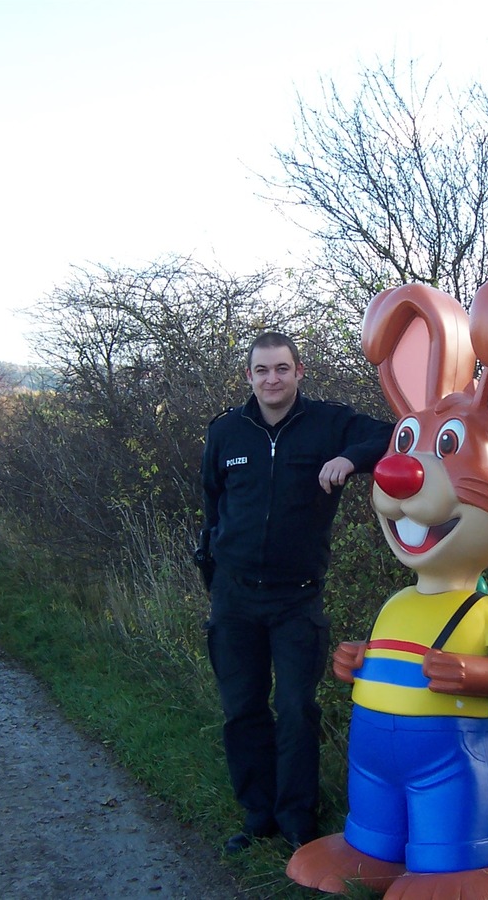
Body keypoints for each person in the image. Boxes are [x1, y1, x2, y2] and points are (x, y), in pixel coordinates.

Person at [197, 331, 393, 853]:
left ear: (299, 372)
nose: (272, 379)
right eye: (262, 370)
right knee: (242, 709)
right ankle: (257, 814)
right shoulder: (226, 433)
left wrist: (350, 459)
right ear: (249, 377)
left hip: (296, 599)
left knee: (297, 708)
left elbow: (393, 434)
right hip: (235, 597)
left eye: (282, 368)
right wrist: (213, 571)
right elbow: (212, 507)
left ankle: (297, 819)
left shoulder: (328, 423)